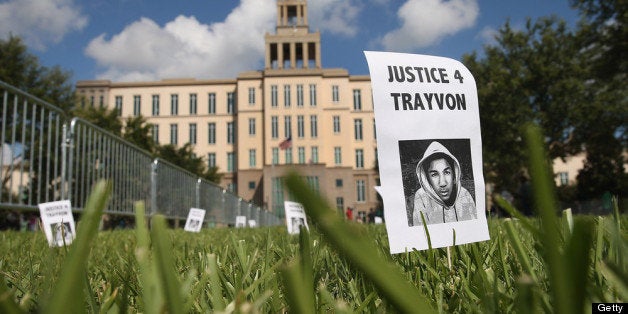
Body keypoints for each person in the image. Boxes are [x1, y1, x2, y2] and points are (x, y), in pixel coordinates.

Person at [412, 141, 476, 226]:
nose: (442, 183)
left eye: (447, 172)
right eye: (434, 174)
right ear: (427, 179)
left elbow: (473, 230)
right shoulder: (421, 197)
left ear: (454, 174)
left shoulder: (464, 195)